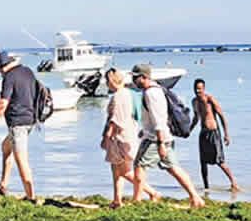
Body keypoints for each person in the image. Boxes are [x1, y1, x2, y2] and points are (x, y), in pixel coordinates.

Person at [131, 64, 204, 208]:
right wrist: (145, 130)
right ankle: (196, 198)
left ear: (144, 77)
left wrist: (160, 144)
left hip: (156, 138)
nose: (133, 80)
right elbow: (155, 117)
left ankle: (137, 201)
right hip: (162, 136)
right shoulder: (157, 90)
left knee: (139, 166)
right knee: (173, 168)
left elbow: (159, 119)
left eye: (135, 77)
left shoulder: (151, 93)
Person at [99, 67, 159, 208]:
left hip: (120, 136)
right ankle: (117, 199)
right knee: (116, 169)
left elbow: (116, 120)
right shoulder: (128, 94)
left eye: (107, 81)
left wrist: (106, 137)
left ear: (111, 81)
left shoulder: (119, 96)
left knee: (123, 171)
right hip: (127, 133)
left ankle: (152, 192)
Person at [0, 51, 37, 200]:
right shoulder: (27, 71)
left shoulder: (9, 77)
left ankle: (30, 197)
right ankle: (3, 185)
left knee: (22, 160)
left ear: (3, 66)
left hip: (17, 123)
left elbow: (2, 104)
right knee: (6, 147)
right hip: (30, 120)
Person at [190, 78, 240, 193]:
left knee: (220, 161)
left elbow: (222, 116)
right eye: (196, 89)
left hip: (213, 133)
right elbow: (196, 118)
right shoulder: (194, 102)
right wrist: (189, 130)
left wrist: (226, 134)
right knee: (203, 162)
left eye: (200, 89)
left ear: (204, 89)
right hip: (203, 134)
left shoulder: (210, 100)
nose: (198, 91)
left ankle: (234, 183)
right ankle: (206, 187)